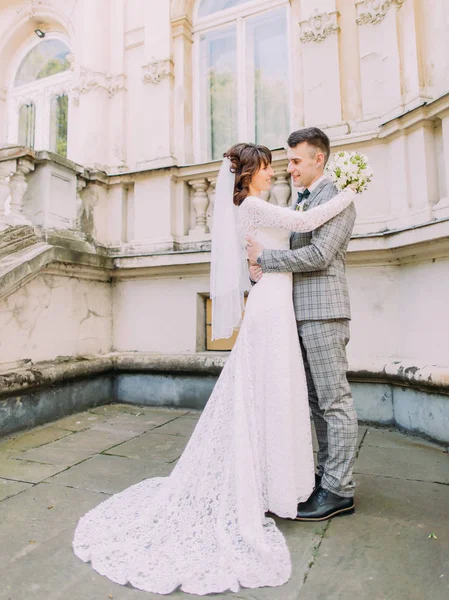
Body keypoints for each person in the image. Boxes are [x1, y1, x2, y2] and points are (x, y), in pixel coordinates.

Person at [72, 142, 357, 595]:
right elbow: (302, 225)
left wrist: (260, 260)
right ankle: (272, 481)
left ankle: (279, 478)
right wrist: (353, 190)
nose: (274, 171)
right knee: (269, 389)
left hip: (279, 300)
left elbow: (283, 242)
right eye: (267, 167)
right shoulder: (253, 204)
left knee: (277, 391)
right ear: (249, 174)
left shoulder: (254, 204)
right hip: (271, 307)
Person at [247, 127, 358, 521]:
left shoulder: (339, 198)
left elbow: (320, 254)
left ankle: (339, 490)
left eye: (295, 160)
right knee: (314, 402)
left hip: (324, 311)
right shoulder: (303, 201)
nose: (288, 168)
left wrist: (266, 260)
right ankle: (327, 477)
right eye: (288, 160)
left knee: (334, 401)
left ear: (318, 160)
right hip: (297, 313)